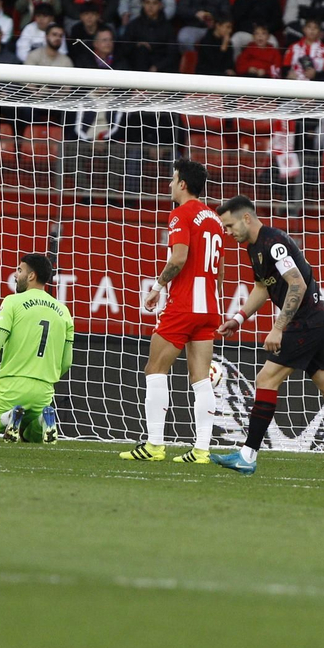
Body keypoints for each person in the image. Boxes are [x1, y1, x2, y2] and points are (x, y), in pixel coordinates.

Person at [210, 195, 324, 480]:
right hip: (315, 322)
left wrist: (278, 327)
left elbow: (297, 284)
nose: (227, 233)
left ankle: (247, 456)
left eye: (229, 226)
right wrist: (239, 319)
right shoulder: (254, 249)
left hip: (308, 323)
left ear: (247, 218)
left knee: (266, 380)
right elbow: (262, 289)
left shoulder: (274, 243)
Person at [120, 159, 223, 464]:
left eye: (173, 178)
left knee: (154, 370)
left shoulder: (181, 214)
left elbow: (178, 259)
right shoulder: (214, 218)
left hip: (184, 303)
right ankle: (202, 450)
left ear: (183, 184)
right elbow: (218, 270)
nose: (168, 184)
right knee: (201, 378)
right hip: (209, 305)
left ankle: (154, 445)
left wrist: (156, 287)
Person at [0, 253, 74, 444]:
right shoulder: (64, 312)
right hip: (44, 391)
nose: (15, 275)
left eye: (19, 270)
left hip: (10, 388)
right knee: (29, 435)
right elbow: (67, 362)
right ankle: (43, 419)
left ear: (31, 276)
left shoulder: (12, 302)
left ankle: (8, 417)